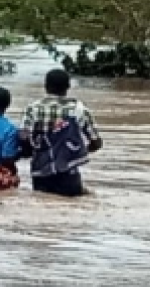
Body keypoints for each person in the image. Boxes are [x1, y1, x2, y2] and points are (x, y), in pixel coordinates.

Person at [21, 69, 102, 197]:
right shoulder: (79, 109)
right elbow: (96, 142)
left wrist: (33, 152)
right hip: (69, 171)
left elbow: (24, 138)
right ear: (68, 87)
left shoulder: (33, 109)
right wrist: (79, 150)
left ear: (46, 86)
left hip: (41, 172)